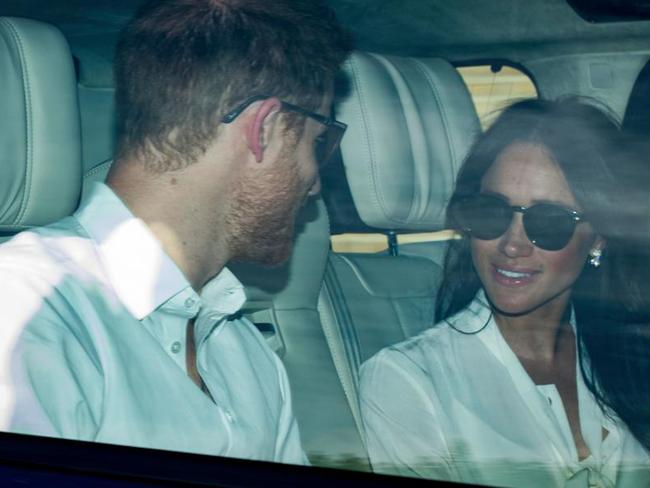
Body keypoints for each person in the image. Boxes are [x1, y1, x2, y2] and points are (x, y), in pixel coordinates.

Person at [0, 0, 350, 462]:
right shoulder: (25, 313)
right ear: (262, 130)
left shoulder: (245, 353)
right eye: (316, 142)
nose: (315, 184)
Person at [360, 98, 650, 487]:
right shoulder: (411, 379)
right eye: (492, 211)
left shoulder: (630, 356)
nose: (512, 244)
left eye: (549, 222)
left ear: (598, 237)